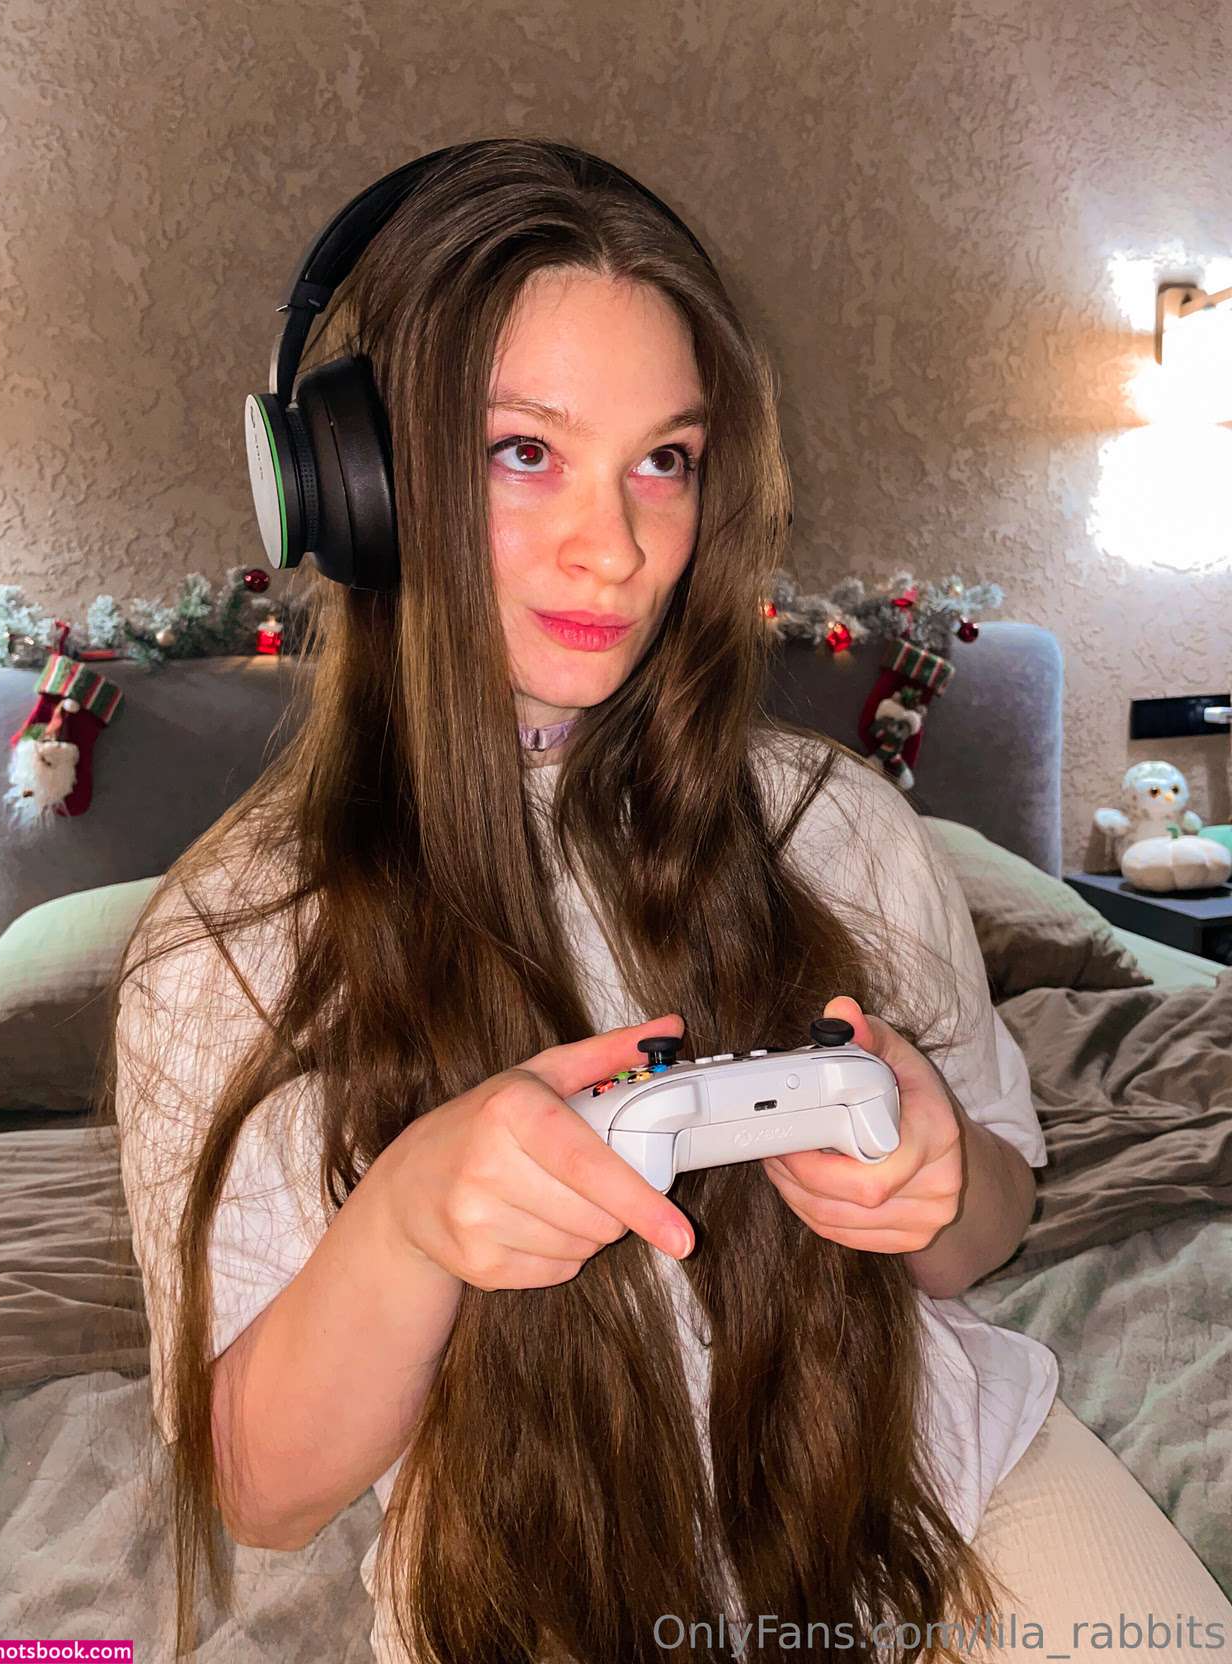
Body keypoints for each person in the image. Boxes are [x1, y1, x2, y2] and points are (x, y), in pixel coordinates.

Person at [108, 137, 1232, 1664]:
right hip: (535, 1581)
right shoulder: (230, 945)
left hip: (946, 1487)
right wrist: (408, 1227)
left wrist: (934, 1181)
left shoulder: (838, 823)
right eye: (524, 452)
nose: (618, 547)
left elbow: (986, 1230)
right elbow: (260, 1493)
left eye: (666, 460)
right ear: (357, 485)